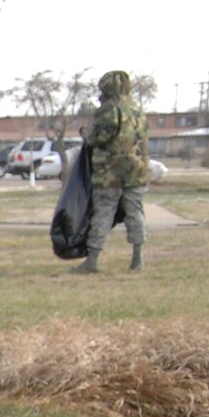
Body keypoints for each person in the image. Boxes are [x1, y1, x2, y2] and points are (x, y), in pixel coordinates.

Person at [76, 70, 151, 274]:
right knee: (135, 212)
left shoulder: (108, 110)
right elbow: (142, 138)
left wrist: (85, 133)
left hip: (109, 171)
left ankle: (92, 260)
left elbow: (98, 137)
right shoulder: (137, 110)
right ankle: (138, 258)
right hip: (136, 169)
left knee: (104, 212)